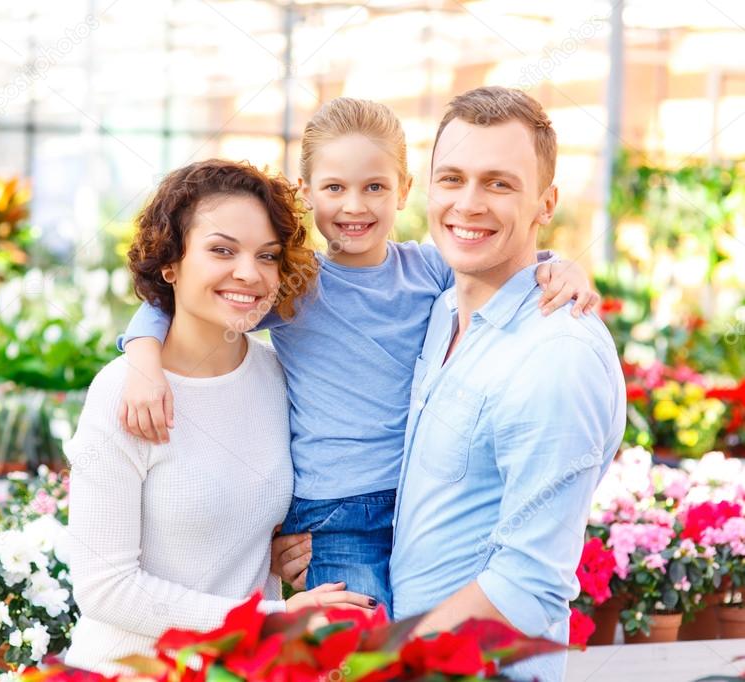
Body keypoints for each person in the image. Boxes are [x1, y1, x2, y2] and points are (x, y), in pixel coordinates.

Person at [116, 98, 597, 611]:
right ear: (306, 194)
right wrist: (144, 362)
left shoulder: (431, 270)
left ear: (405, 190)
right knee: (357, 645)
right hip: (335, 513)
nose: (354, 206)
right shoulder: (298, 286)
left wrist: (566, 268)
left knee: (413, 638)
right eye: (334, 188)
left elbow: (517, 263)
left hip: (413, 502)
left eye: (374, 187)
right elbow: (172, 304)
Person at [63, 159, 373, 676]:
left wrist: (280, 556)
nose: (249, 274)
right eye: (222, 250)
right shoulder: (126, 391)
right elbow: (106, 588)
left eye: (267, 256)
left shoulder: (279, 375)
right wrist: (271, 620)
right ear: (171, 264)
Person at [387, 86, 626, 682]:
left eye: (498, 183)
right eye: (452, 179)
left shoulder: (556, 355)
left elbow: (528, 581)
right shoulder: (442, 310)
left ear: (546, 203)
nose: (468, 204)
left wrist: (385, 662)